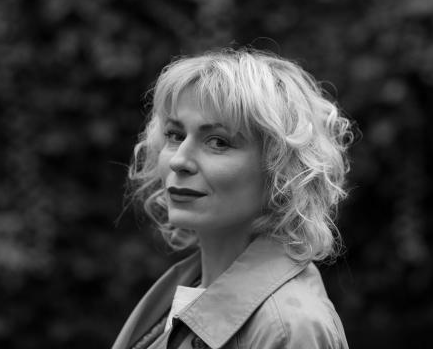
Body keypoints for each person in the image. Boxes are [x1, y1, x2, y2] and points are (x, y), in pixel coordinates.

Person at [113, 48, 352, 349]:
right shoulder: (186, 288)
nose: (179, 160)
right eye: (175, 135)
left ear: (282, 170)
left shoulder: (289, 328)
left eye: (218, 142)